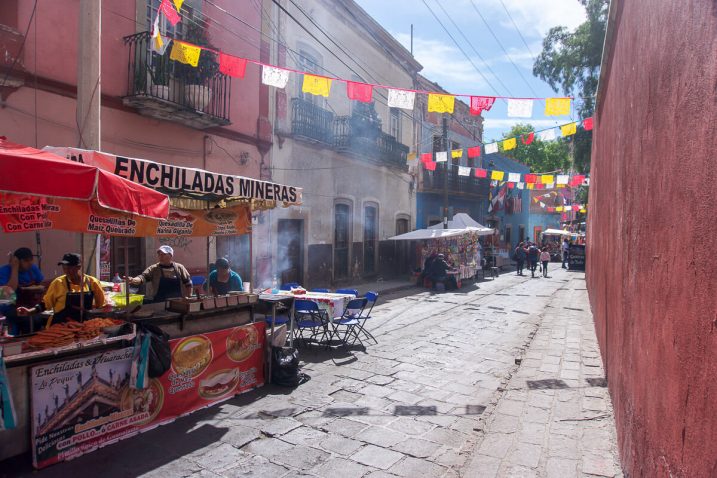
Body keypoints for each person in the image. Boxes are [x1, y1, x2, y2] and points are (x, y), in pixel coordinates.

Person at [17, 253, 106, 323]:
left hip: (85, 327)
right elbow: (45, 304)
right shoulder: (58, 283)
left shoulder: (92, 282)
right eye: (64, 268)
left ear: (79, 267)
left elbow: (101, 306)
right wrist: (29, 311)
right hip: (61, 326)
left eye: (70, 268)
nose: (67, 271)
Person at [0, 247, 45, 334]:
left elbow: (42, 284)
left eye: (31, 260)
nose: (30, 263)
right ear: (17, 261)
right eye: (26, 261)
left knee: (40, 318)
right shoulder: (4, 271)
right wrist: (14, 269)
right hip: (9, 306)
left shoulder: (33, 269)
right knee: (29, 319)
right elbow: (9, 292)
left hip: (30, 304)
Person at [127, 245, 192, 302]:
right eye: (159, 254)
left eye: (164, 254)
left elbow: (188, 283)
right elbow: (143, 277)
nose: (161, 256)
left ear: (170, 256)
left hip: (177, 303)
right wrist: (133, 280)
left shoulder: (179, 268)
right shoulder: (154, 269)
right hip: (159, 303)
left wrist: (188, 297)